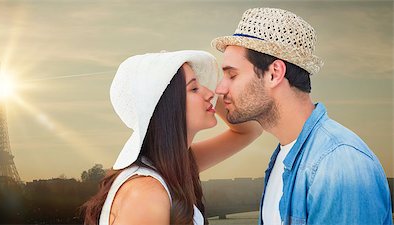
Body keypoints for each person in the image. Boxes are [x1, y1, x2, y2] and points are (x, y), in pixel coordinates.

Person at [211, 7, 392, 225]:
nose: (220, 89)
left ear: (274, 73)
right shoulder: (285, 156)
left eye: (232, 75)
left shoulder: (338, 166)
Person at [82, 50, 262, 225]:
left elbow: (251, 130)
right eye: (194, 88)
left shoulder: (173, 164)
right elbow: (250, 131)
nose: (210, 94)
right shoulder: (146, 194)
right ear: (167, 105)